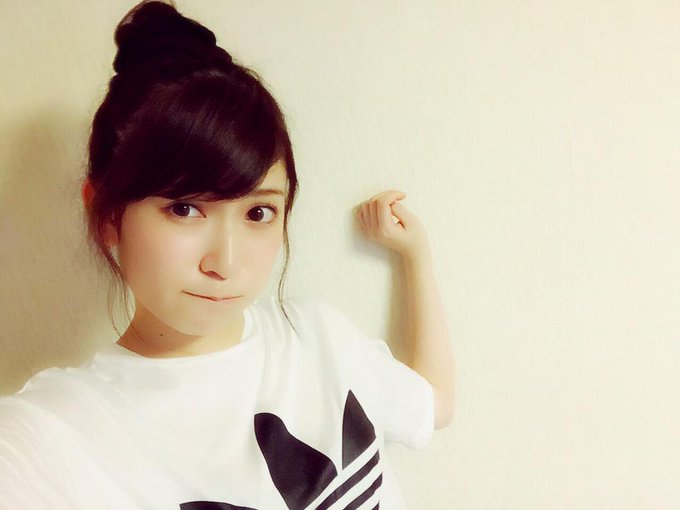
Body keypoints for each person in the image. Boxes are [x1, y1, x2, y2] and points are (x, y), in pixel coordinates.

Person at [0, 1, 454, 509]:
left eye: (258, 213)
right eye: (184, 208)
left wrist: (415, 256)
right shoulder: (54, 437)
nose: (226, 263)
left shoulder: (315, 337)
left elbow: (432, 405)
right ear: (106, 214)